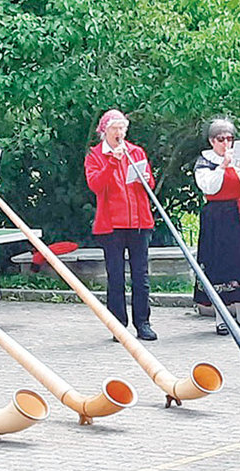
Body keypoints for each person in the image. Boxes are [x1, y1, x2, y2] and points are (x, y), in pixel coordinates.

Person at [84, 109, 158, 341]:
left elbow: (149, 183)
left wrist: (146, 179)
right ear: (105, 130)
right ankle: (118, 326)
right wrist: (112, 163)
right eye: (115, 128)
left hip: (139, 221)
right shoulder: (95, 155)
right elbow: (96, 185)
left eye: (123, 128)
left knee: (141, 276)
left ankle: (143, 323)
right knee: (115, 276)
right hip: (111, 225)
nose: (120, 133)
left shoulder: (136, 152)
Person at [193, 118, 240, 335]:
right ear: (211, 141)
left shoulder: (239, 159)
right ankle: (221, 318)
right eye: (221, 139)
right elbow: (209, 187)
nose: (226, 143)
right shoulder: (205, 162)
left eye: (230, 138)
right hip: (217, 218)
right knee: (219, 265)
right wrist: (223, 167)